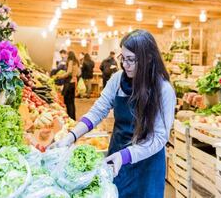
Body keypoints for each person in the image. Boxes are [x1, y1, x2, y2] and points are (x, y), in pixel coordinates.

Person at [49, 30, 176, 198]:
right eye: (122, 58)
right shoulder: (118, 80)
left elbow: (159, 137)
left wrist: (126, 155)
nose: (125, 65)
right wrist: (71, 137)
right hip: (117, 160)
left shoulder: (163, 90)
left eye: (131, 60)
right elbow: (98, 110)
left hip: (147, 165)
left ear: (149, 58)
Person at [56, 51, 80, 120]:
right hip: (73, 83)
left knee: (68, 102)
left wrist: (61, 76)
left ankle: (70, 117)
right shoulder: (76, 62)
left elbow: (69, 72)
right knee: (72, 102)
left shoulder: (71, 61)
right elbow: (77, 73)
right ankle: (73, 117)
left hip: (69, 83)